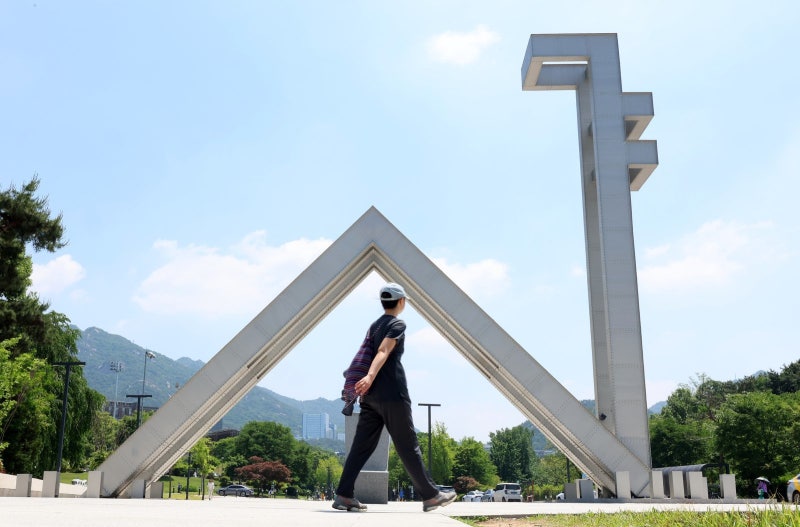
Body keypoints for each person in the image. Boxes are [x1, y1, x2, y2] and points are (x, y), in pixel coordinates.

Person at [332, 283, 457, 513]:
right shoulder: (397, 324)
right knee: (408, 445)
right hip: (392, 394)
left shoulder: (374, 325)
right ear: (401, 302)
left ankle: (344, 494)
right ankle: (431, 496)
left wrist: (368, 383)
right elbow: (383, 351)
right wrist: (370, 376)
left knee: (360, 447)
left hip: (369, 398)